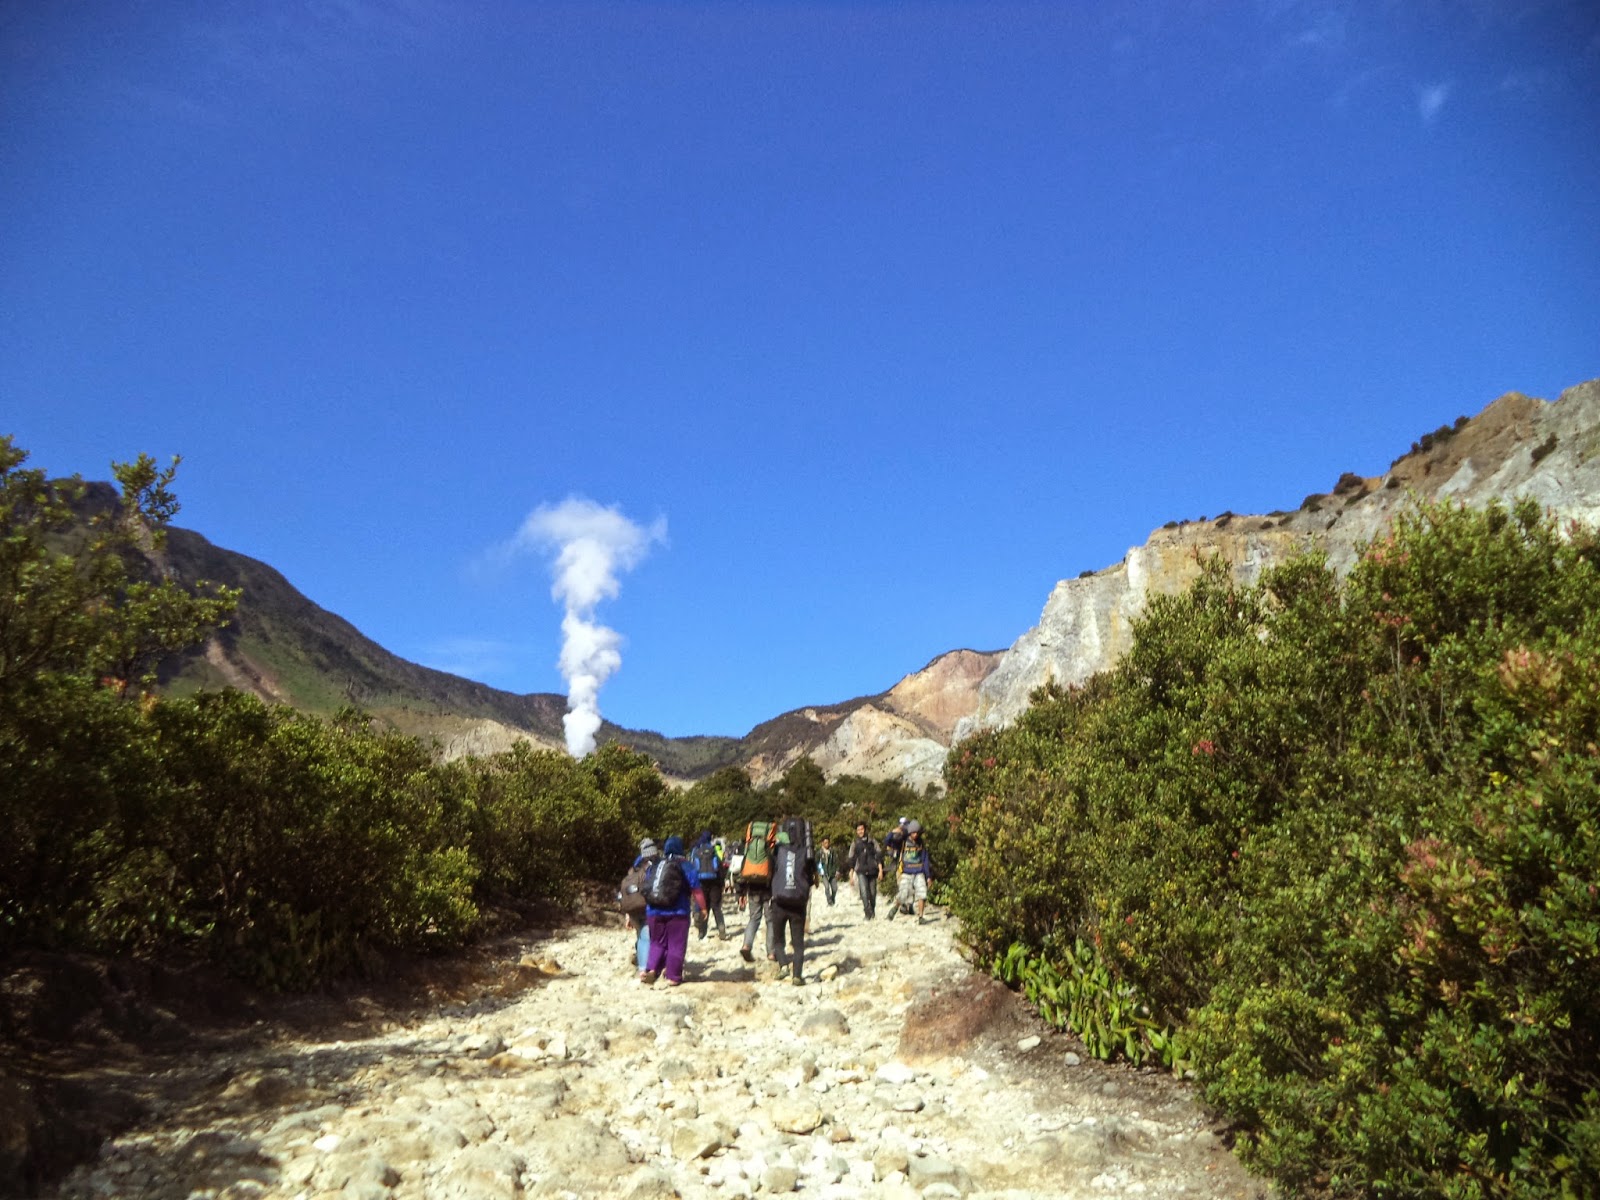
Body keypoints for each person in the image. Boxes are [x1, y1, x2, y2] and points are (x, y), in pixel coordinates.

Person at [642, 836, 706, 987]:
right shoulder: (686, 865)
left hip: (654, 911)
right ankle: (673, 976)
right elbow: (696, 889)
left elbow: (647, 886)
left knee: (656, 942)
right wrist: (702, 907)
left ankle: (651, 969)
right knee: (676, 944)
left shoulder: (656, 865)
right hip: (678, 912)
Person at [768, 816, 817, 985]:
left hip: (779, 902)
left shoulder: (779, 850)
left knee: (778, 940)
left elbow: (772, 871)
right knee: (798, 942)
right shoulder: (807, 852)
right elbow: (811, 877)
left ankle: (783, 967)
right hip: (798, 903)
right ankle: (797, 975)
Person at [737, 819, 778, 965]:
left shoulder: (748, 853)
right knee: (770, 921)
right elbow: (776, 874)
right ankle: (771, 953)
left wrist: (740, 893)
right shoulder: (770, 854)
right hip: (768, 891)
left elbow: (742, 873)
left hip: (752, 890)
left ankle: (746, 945)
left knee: (754, 919)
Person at [624, 838, 661, 972]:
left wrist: (627, 915)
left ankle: (641, 962)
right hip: (646, 907)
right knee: (646, 937)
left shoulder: (635, 866)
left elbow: (628, 890)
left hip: (632, 908)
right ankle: (644, 969)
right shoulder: (655, 866)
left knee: (640, 936)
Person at [888, 819, 933, 922]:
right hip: (906, 872)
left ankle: (921, 916)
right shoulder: (902, 842)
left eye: (917, 832)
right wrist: (894, 832)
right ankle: (895, 908)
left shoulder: (920, 843)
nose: (915, 835)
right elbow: (888, 841)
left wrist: (928, 876)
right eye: (913, 832)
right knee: (903, 893)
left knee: (922, 893)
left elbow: (925, 859)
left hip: (919, 871)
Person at [690, 830, 727, 940]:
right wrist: (721, 884)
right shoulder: (713, 850)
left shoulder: (696, 851)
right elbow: (720, 868)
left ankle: (702, 932)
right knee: (716, 907)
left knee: (703, 907)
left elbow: (693, 868)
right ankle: (721, 929)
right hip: (714, 882)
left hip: (701, 883)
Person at [844, 822, 882, 919]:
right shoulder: (855, 843)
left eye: (862, 829)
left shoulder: (872, 841)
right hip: (860, 870)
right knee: (864, 892)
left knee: (873, 893)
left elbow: (878, 855)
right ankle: (867, 912)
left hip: (872, 870)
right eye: (858, 830)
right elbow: (851, 859)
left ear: (865, 829)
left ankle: (872, 911)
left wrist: (880, 870)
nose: (860, 831)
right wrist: (851, 875)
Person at [817, 836, 839, 907]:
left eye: (828, 842)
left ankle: (833, 899)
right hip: (824, 873)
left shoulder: (832, 852)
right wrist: (820, 871)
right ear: (822, 843)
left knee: (835, 888)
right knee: (826, 887)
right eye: (825, 843)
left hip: (832, 872)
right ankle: (829, 901)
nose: (826, 844)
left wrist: (837, 870)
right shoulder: (819, 853)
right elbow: (817, 863)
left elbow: (836, 862)